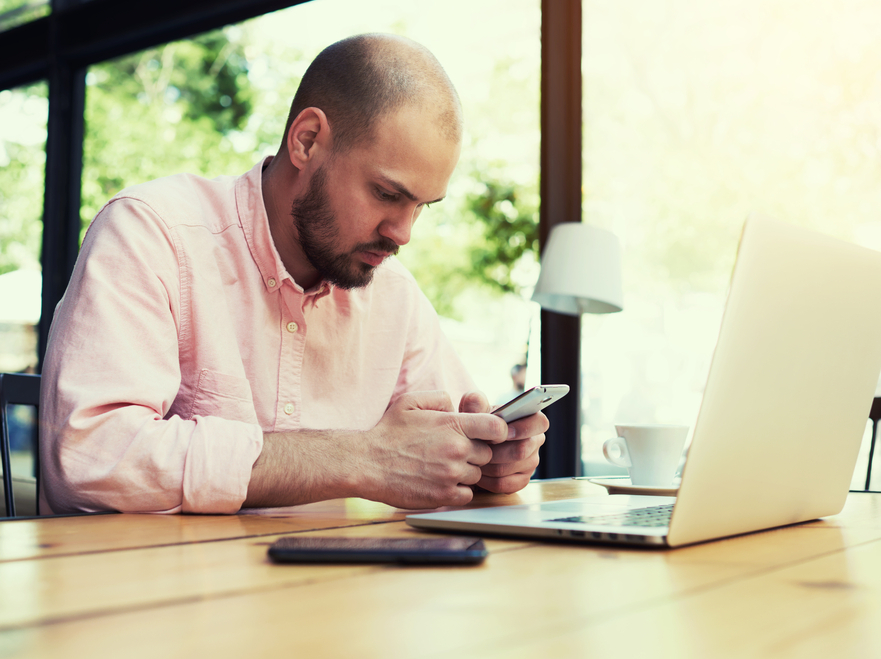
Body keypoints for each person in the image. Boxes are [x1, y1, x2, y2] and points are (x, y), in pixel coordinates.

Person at [39, 34, 547, 515]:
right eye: (388, 195)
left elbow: (441, 445)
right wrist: (360, 459)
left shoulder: (393, 295)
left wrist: (485, 460)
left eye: (422, 206)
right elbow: (90, 456)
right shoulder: (153, 233)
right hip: (156, 592)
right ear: (307, 141)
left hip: (325, 598)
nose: (403, 232)